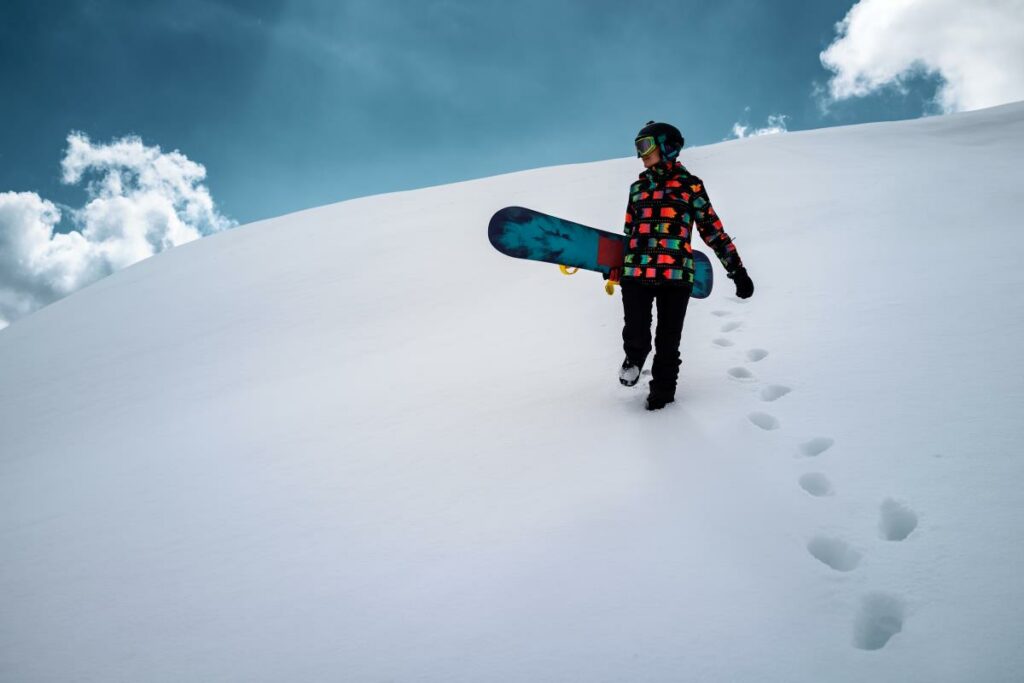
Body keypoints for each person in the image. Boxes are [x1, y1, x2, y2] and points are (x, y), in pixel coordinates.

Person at [618, 121, 754, 410]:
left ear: (666, 147)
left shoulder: (690, 186)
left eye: (645, 146)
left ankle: (662, 397)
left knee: (668, 342)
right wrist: (619, 265)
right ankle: (634, 357)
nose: (640, 153)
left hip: (675, 277)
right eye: (637, 147)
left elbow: (712, 231)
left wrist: (737, 270)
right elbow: (629, 232)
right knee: (636, 332)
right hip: (636, 273)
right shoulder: (637, 188)